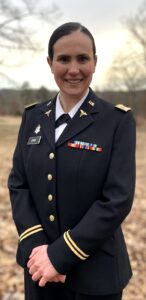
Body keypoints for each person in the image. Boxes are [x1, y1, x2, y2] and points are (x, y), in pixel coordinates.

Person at [8, 22, 136, 300]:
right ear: (50, 63)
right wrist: (37, 249)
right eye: (63, 59)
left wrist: (59, 256)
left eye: (83, 59)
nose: (73, 69)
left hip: (96, 275)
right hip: (38, 271)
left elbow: (117, 199)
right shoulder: (32, 118)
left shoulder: (117, 121)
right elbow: (19, 184)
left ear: (95, 62)